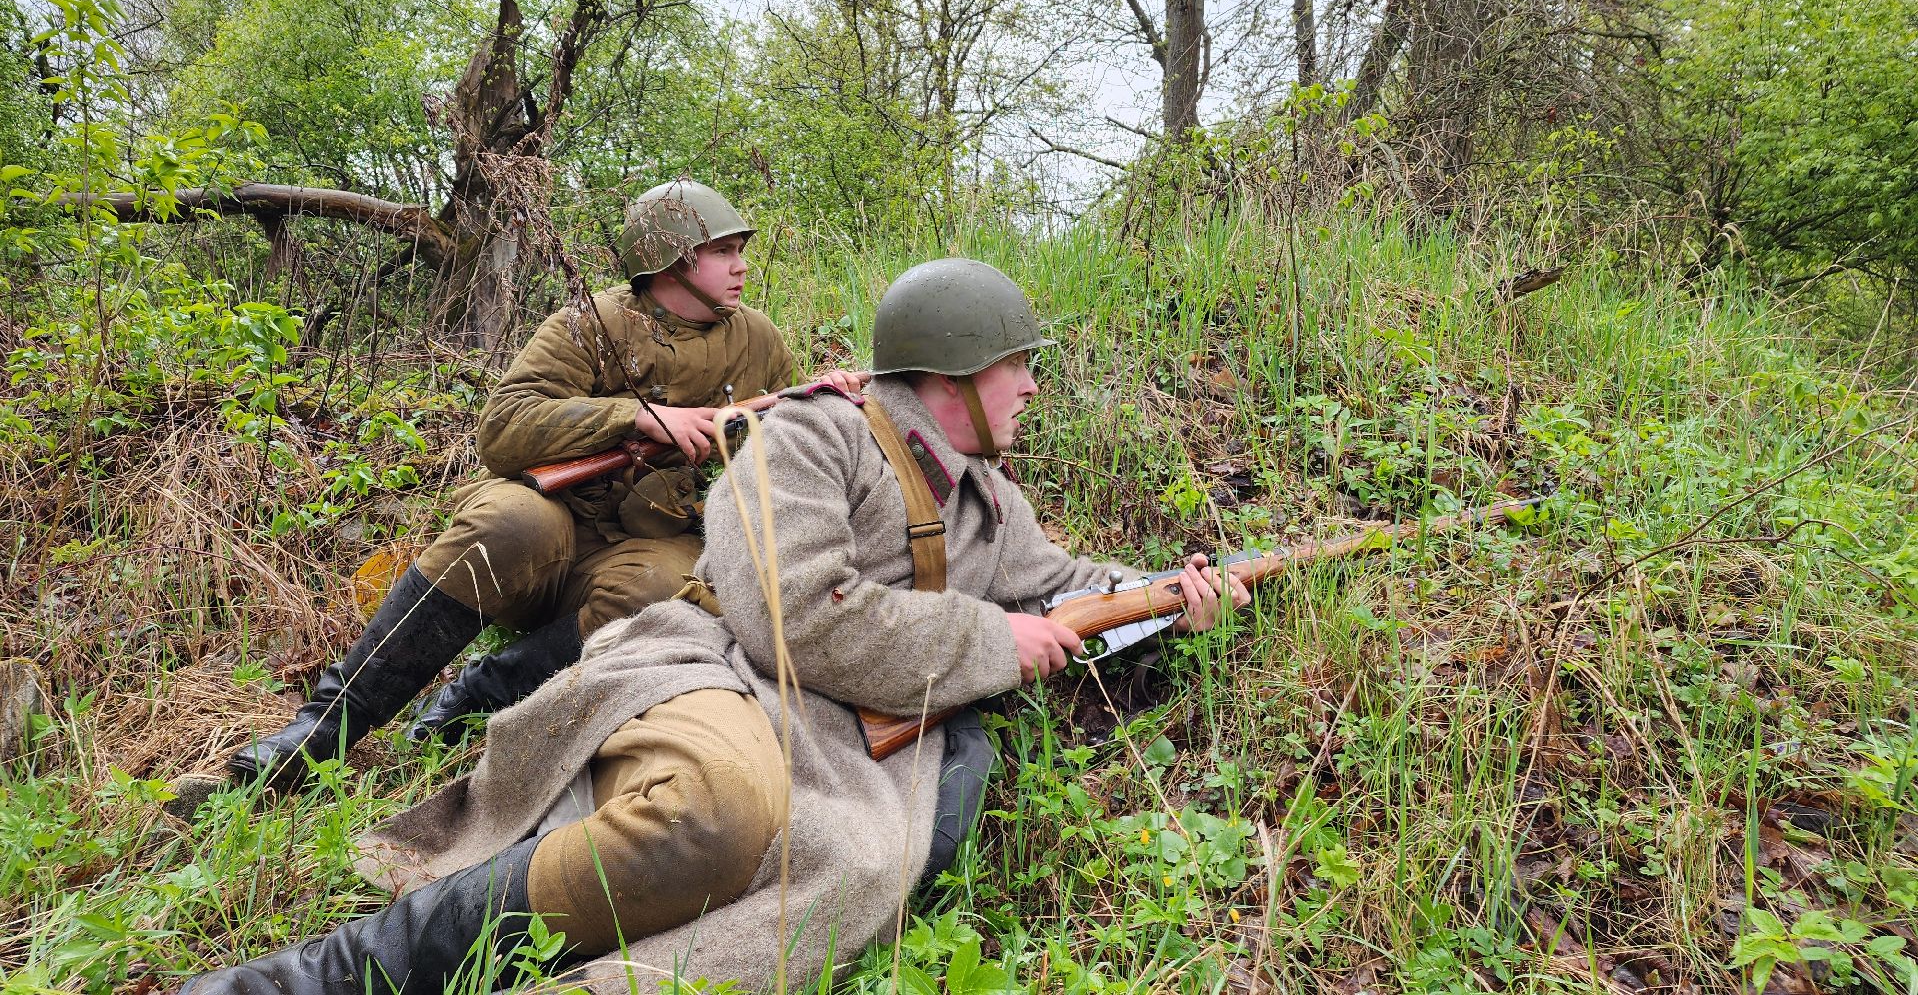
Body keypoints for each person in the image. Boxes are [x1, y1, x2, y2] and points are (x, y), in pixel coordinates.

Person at [183, 258, 1250, 993]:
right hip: (720, 669)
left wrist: (1176, 593)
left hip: (846, 734)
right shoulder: (815, 437)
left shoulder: (985, 497)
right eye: (1020, 362)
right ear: (957, 368)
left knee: (858, 870)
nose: (1031, 385)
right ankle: (314, 978)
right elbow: (795, 615)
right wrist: (990, 643)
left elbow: (1062, 580)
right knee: (713, 809)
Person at [226, 179, 862, 787]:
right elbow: (501, 430)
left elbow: (776, 441)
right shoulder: (589, 324)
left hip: (651, 533)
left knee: (668, 592)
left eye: (739, 250)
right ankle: (323, 730)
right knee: (506, 526)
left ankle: (478, 695)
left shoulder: (758, 339)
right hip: (552, 512)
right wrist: (637, 417)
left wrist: (822, 405)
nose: (740, 265)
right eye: (722, 251)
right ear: (670, 262)